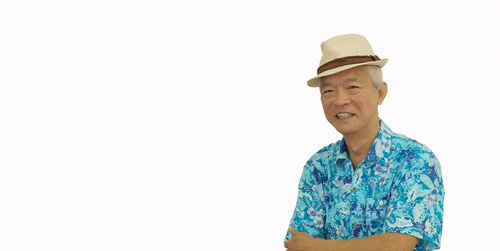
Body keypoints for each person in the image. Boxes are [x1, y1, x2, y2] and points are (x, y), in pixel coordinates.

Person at [283, 34, 445, 251]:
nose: (340, 100)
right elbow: (298, 244)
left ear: (380, 93)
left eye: (352, 87)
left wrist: (320, 247)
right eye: (328, 90)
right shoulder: (318, 166)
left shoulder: (416, 160)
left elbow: (396, 246)